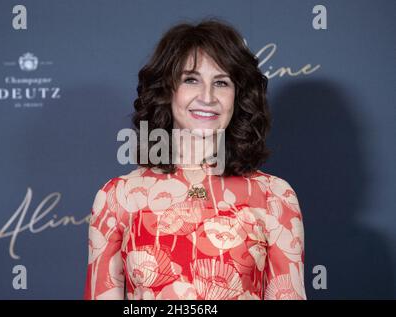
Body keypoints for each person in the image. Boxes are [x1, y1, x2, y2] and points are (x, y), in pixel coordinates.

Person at [84, 18, 307, 300]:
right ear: (166, 90)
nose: (207, 96)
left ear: (238, 97)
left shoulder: (275, 197)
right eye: (191, 79)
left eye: (222, 82)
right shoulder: (117, 198)